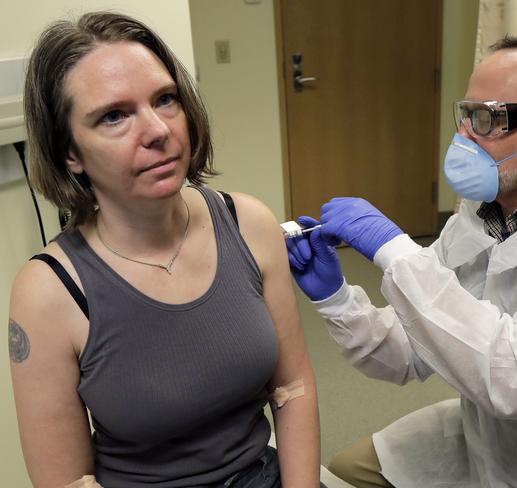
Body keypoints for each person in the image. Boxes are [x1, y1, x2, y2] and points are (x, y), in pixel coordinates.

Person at [287, 35, 517, 487]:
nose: (463, 137)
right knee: (345, 471)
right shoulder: (481, 215)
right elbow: (406, 353)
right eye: (465, 115)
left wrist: (396, 250)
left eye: (487, 119)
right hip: (490, 435)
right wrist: (336, 299)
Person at [9, 11, 322, 488]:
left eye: (166, 99)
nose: (158, 130)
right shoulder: (49, 292)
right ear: (68, 152)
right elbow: (67, 481)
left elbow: (292, 390)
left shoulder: (248, 224)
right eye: (114, 116)